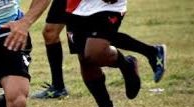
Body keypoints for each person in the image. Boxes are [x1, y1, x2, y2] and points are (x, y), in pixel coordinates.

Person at [32, 0, 166, 100]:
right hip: (74, 3)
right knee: (54, 34)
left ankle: (145, 55)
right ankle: (58, 87)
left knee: (94, 48)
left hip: (101, 4)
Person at [65, 0, 166, 107]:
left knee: (94, 51)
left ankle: (150, 53)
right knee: (85, 59)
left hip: (105, 5)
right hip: (76, 6)